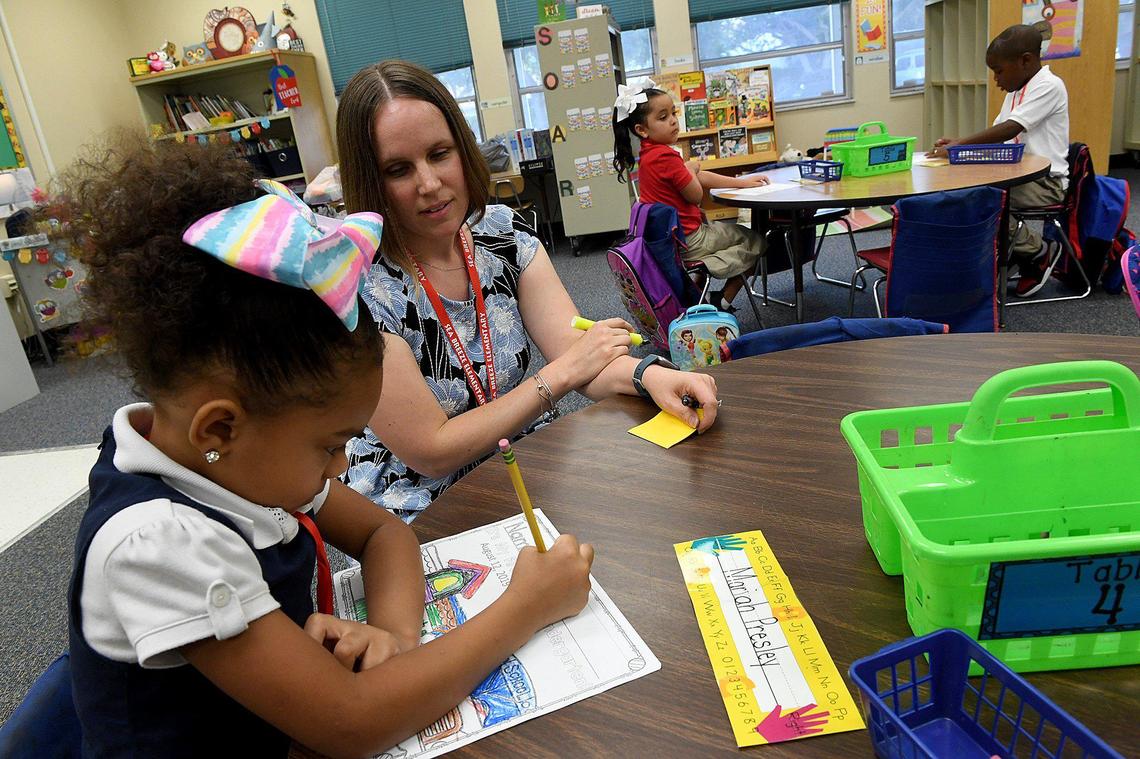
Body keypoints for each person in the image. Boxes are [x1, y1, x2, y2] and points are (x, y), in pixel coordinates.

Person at [56, 135, 594, 757]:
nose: (342, 466)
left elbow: (384, 535)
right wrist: (526, 606)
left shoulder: (231, 461)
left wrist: (393, 639)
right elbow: (350, 724)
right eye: (332, 445)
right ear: (219, 429)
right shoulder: (157, 541)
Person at [336, 61, 719, 521]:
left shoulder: (500, 234)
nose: (430, 184)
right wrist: (560, 375)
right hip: (418, 499)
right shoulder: (358, 285)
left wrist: (651, 377)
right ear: (369, 179)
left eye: (440, 154)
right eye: (398, 169)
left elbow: (575, 348)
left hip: (518, 457)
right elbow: (430, 451)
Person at [930, 23, 1069, 298]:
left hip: (1044, 183)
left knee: (977, 199)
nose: (996, 80)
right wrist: (958, 144)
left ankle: (1038, 251)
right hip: (1017, 175)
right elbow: (999, 137)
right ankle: (1011, 254)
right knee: (964, 192)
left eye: (999, 71)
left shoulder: (1049, 86)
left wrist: (961, 145)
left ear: (1026, 60)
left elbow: (1011, 128)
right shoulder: (1016, 92)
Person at [612, 77, 769, 313]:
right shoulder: (666, 157)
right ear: (642, 130)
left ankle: (697, 291)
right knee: (756, 240)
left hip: (675, 241)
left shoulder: (650, 155)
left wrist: (742, 183)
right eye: (663, 117)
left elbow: (699, 176)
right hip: (691, 240)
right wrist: (689, 168)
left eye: (673, 113)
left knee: (735, 235)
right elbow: (695, 194)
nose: (674, 121)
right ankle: (721, 298)